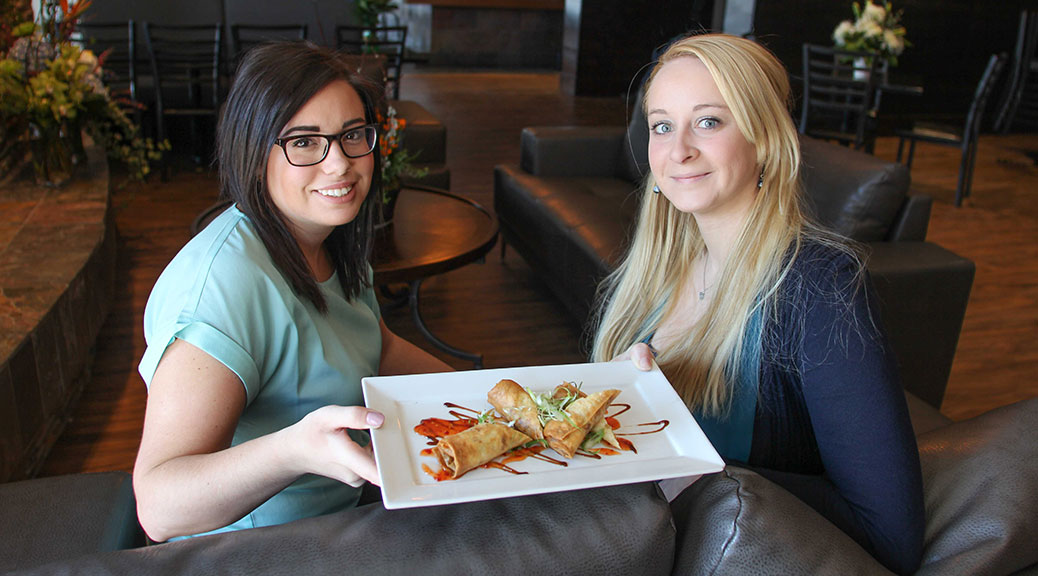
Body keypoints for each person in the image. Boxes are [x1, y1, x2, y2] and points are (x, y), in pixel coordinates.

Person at [592, 34, 924, 574]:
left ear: (764, 138)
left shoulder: (820, 287)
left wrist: (679, 461)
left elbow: (888, 536)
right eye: (662, 125)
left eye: (708, 121)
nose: (678, 151)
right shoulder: (657, 269)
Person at [132, 42, 451, 542]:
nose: (339, 165)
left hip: (343, 516)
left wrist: (492, 395)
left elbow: (377, 345)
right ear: (254, 151)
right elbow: (159, 507)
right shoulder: (222, 288)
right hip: (261, 549)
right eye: (304, 142)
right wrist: (293, 450)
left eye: (352, 136)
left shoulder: (326, 235)